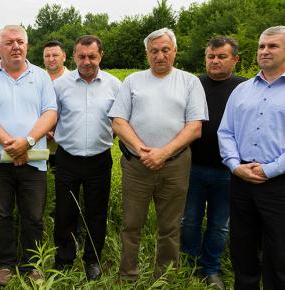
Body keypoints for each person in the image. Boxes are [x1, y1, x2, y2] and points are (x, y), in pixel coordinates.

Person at [108, 27, 208, 281]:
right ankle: (127, 276)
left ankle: (165, 278)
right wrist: (144, 151)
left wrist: (163, 153)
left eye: (165, 50)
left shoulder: (189, 81)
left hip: (175, 164)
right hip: (136, 165)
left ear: (174, 51)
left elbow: (195, 127)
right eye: (154, 51)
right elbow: (118, 121)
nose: (160, 55)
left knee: (170, 226)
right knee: (131, 224)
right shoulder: (133, 81)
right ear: (147, 53)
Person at [0, 25, 57, 286]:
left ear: (27, 45)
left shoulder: (41, 76)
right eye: (9, 43)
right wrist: (11, 144)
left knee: (33, 216)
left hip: (34, 159)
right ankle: (5, 264)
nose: (15, 46)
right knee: (2, 215)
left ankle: (33, 266)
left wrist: (28, 141)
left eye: (20, 41)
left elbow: (50, 113)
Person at [217, 26, 285, 290]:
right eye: (261, 46)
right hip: (242, 180)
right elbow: (226, 132)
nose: (264, 51)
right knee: (242, 247)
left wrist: (270, 170)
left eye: (273, 46)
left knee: (279, 251)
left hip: (278, 184)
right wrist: (235, 166)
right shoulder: (242, 90)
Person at [180, 36, 247, 289]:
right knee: (189, 220)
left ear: (235, 59)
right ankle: (189, 265)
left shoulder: (245, 88)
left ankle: (211, 269)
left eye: (222, 56)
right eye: (211, 56)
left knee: (220, 225)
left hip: (229, 170)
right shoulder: (192, 84)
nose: (215, 61)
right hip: (192, 166)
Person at [53, 35, 121, 281]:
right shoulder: (61, 85)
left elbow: (120, 121)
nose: (87, 61)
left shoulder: (115, 85)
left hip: (99, 159)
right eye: (81, 56)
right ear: (73, 57)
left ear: (101, 56)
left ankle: (92, 260)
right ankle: (64, 259)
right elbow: (52, 117)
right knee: (64, 211)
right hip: (67, 158)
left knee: (96, 213)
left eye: (92, 56)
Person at [43, 40, 70, 170]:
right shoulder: (35, 79)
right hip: (39, 144)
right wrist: (43, 130)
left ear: (64, 57)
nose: (51, 59)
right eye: (47, 56)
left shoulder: (74, 80)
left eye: (55, 55)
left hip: (67, 147)